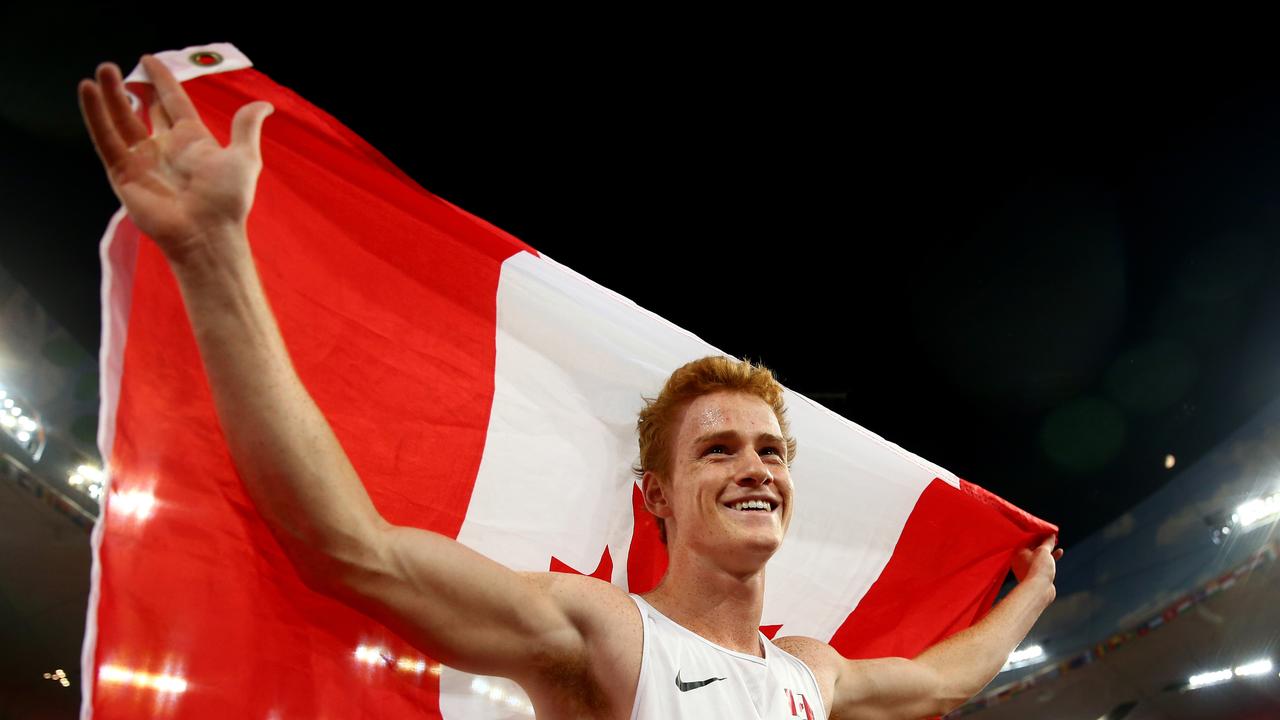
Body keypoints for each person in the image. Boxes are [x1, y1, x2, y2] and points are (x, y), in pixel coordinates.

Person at [79, 55, 1062, 719]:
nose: (753, 466)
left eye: (767, 448)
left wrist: (1029, 592)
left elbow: (937, 682)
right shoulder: (604, 631)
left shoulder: (808, 671)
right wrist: (213, 258)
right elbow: (354, 551)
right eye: (715, 448)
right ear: (657, 501)